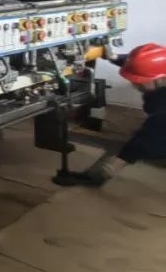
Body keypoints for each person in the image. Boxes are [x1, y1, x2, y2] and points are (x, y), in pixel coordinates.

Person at [65, 44, 166, 186]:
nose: (134, 84)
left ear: (159, 78)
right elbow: (139, 66)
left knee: (155, 144)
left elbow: (150, 135)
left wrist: (119, 161)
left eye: (139, 81)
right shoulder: (160, 69)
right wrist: (114, 57)